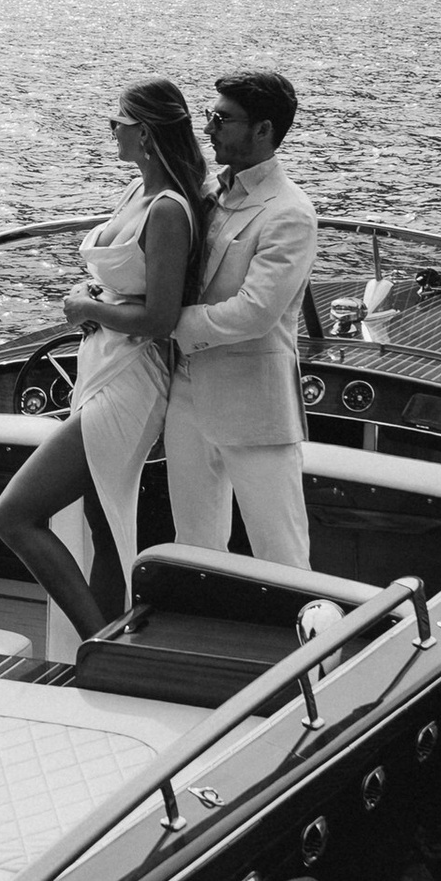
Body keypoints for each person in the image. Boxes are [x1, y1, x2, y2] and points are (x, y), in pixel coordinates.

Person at [0, 82, 211, 643]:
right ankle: (114, 639)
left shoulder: (167, 211)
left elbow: (162, 317)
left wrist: (88, 306)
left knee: (13, 516)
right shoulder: (137, 191)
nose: (110, 129)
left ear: (145, 132)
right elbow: (131, 287)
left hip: (131, 378)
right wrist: (100, 300)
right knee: (102, 519)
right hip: (103, 366)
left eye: (118, 120)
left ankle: (98, 645)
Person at [165, 70, 319, 571]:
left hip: (254, 407)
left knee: (282, 554)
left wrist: (164, 322)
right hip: (187, 397)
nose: (208, 129)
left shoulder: (290, 212)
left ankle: (318, 650)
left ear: (263, 130)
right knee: (194, 546)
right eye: (210, 116)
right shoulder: (209, 194)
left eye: (221, 119)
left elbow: (256, 312)